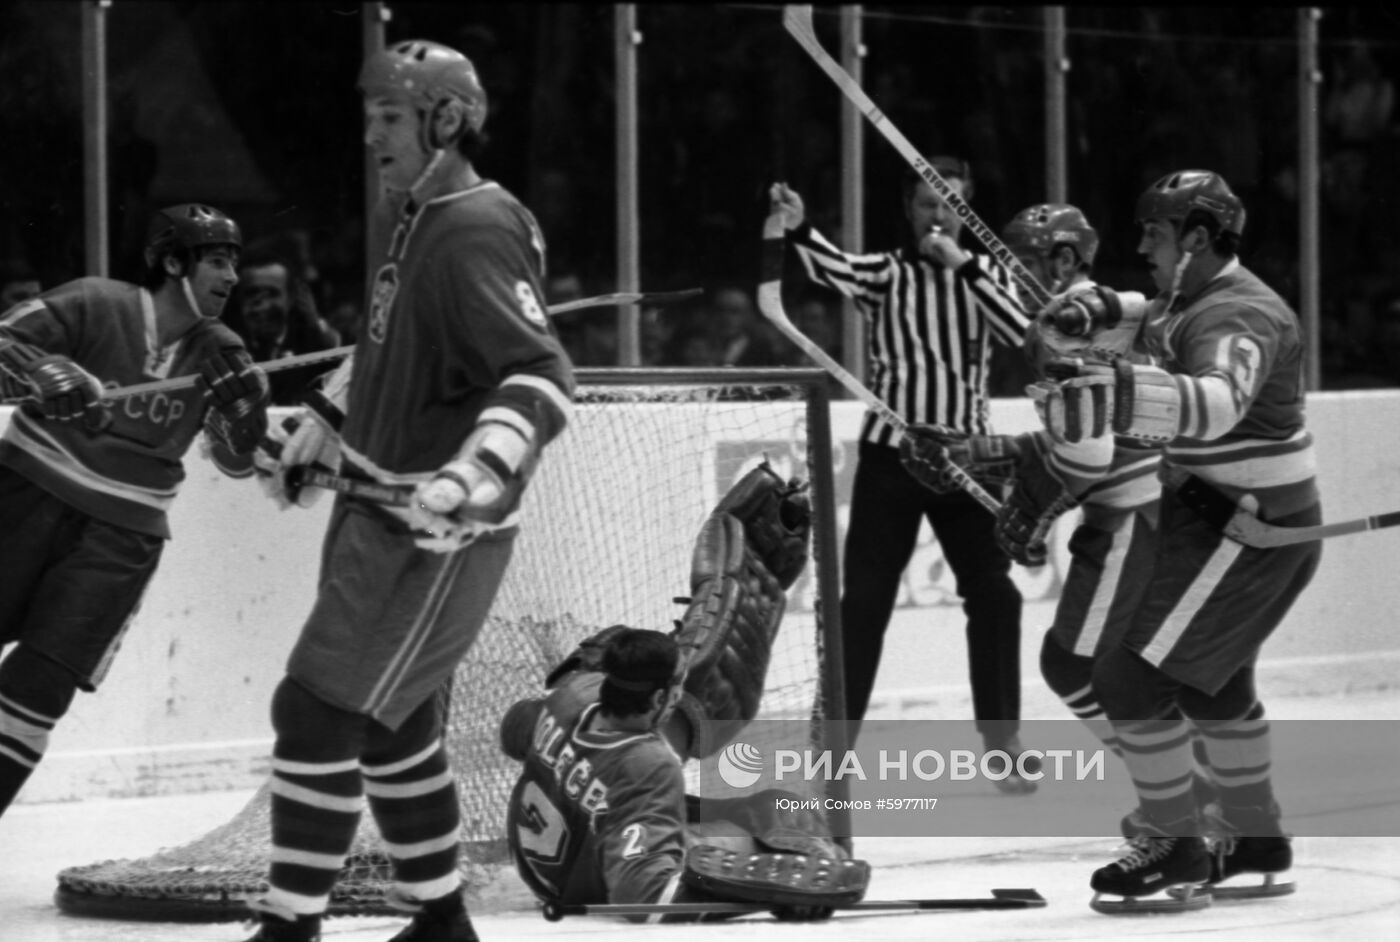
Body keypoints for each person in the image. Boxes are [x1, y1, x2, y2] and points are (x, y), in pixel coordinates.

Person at [240, 39, 574, 942]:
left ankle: (290, 927)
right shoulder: (415, 215)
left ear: (447, 119)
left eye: (388, 115)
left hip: (432, 536)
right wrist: (328, 417)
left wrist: (476, 473)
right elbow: (396, 349)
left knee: (315, 710)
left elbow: (540, 377)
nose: (371, 133)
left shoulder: (473, 227)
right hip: (377, 512)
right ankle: (441, 922)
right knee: (389, 726)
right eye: (370, 115)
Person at [1028, 170, 1319, 912]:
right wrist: (1095, 307)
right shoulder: (1191, 300)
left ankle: (1175, 843)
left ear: (1195, 237)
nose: (1139, 246)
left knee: (1127, 677)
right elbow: (1147, 317)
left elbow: (1218, 403)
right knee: (1217, 689)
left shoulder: (1240, 314)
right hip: (1221, 519)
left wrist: (1119, 391)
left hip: (1247, 528)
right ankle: (1255, 840)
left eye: (1152, 234)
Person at [768, 157, 1039, 793]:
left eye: (949, 205)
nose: (937, 216)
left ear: (965, 213)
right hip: (892, 458)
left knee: (995, 595)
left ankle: (1001, 743)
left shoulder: (987, 275)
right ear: (908, 210)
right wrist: (800, 228)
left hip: (966, 456)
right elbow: (833, 266)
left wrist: (960, 265)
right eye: (926, 205)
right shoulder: (888, 274)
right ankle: (831, 751)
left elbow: (1023, 332)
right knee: (862, 605)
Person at [499, 463, 870, 921]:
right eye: (675, 687)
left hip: (540, 857)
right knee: (789, 816)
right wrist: (763, 888)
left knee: (768, 806)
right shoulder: (649, 764)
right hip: (586, 879)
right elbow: (642, 894)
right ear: (660, 700)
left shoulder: (572, 694)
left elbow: (513, 731)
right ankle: (808, 858)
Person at [0, 203, 268, 817]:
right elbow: (4, 338)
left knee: (38, 692)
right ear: (173, 261)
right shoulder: (95, 301)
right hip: (23, 498)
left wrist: (246, 419)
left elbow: (234, 462)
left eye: (234, 264)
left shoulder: (222, 351)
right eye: (218, 261)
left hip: (121, 539)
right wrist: (37, 367)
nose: (231, 278)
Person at [225, 240, 342, 404]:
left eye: (272, 294)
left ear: (292, 298)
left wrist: (316, 325)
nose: (263, 306)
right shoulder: (227, 347)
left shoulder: (311, 344)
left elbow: (337, 357)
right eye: (252, 294)